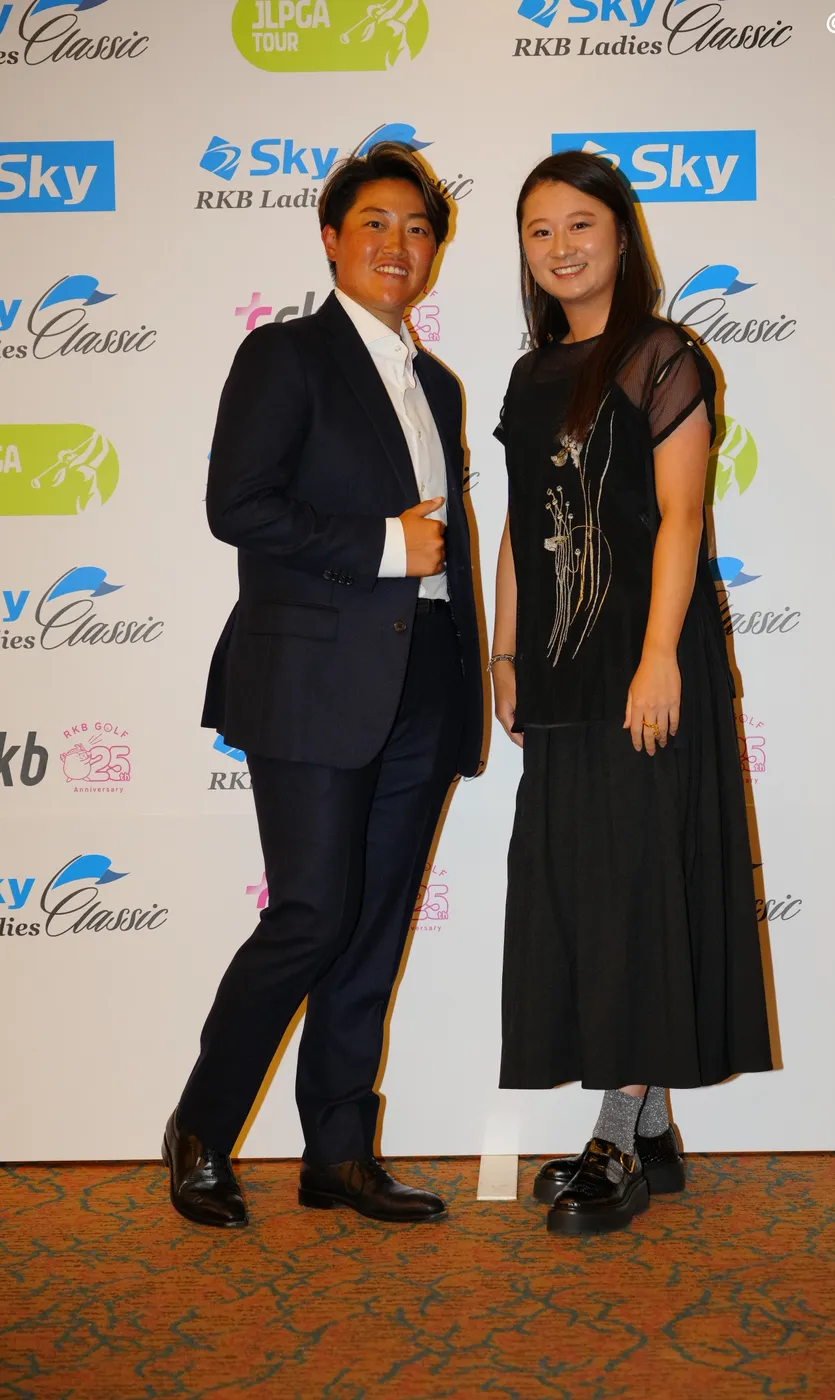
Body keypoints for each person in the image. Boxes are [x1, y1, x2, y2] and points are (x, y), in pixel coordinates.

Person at [164, 142, 483, 1229]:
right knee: (311, 914)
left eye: (418, 228)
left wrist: (480, 665)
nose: (399, 244)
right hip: (310, 680)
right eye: (376, 224)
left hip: (424, 680)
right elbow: (237, 504)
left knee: (375, 926)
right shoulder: (285, 355)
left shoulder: (437, 384)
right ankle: (202, 1128)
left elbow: (448, 547)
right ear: (332, 239)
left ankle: (337, 1153)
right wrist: (384, 545)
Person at [491, 151, 772, 1238]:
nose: (560, 247)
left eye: (580, 224)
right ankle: (647, 1126)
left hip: (645, 660)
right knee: (581, 890)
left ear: (620, 235)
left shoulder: (663, 356)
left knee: (640, 886)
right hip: (559, 668)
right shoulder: (528, 376)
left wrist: (660, 656)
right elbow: (519, 525)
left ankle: (618, 1133)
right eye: (539, 229)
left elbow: (683, 517)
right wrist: (505, 656)